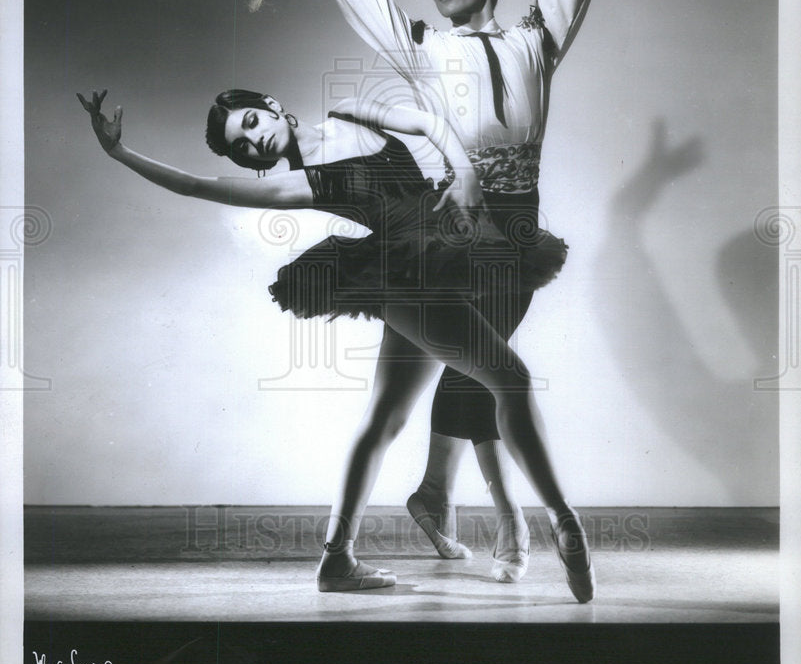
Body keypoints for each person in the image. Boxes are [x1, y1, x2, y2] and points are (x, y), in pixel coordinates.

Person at [77, 87, 594, 601]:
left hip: (438, 248)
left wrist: (462, 173)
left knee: (386, 418)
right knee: (509, 379)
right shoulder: (303, 183)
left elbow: (433, 124)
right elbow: (195, 186)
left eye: (252, 123)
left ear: (273, 105)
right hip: (405, 278)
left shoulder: (350, 110)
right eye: (243, 146)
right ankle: (564, 521)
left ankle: (337, 559)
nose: (254, 143)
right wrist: (119, 153)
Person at [313, 0, 603, 582]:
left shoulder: (534, 40)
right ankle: (520, 527)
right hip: (449, 227)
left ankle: (437, 500)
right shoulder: (422, 46)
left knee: (471, 372)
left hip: (516, 228)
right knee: (480, 374)